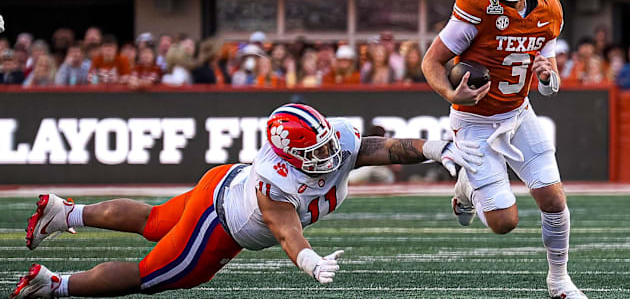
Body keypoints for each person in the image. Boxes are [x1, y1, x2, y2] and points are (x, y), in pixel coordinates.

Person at [10, 103, 482, 299]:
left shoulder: (330, 139)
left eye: (324, 143)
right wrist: (311, 262)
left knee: (155, 220)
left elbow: (381, 147)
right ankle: (54, 286)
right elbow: (285, 230)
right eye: (313, 152)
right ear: (288, 155)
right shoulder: (276, 183)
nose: (327, 154)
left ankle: (65, 212)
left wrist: (434, 148)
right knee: (150, 275)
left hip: (222, 184)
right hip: (219, 224)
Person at [421, 0, 586, 299]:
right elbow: (432, 61)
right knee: (503, 223)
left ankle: (559, 280)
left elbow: (550, 81)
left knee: (554, 200)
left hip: (518, 114)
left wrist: (548, 79)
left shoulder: (550, 9)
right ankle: (466, 188)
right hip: (474, 122)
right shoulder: (476, 4)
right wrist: (451, 93)